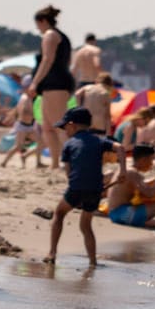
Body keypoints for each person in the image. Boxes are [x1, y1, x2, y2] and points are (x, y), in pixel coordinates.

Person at [45, 107, 114, 265]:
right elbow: (121, 148)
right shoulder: (99, 141)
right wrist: (122, 171)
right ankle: (92, 261)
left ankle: (52, 253)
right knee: (86, 225)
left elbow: (69, 173)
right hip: (96, 189)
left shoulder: (69, 144)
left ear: (72, 125)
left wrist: (75, 188)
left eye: (64, 127)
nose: (64, 131)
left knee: (59, 214)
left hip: (77, 188)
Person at [24, 4, 77, 169]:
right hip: (55, 83)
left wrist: (34, 82)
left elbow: (47, 59)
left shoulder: (50, 35)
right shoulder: (62, 36)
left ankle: (70, 163)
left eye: (37, 24)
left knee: (59, 126)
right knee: (47, 127)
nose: (37, 28)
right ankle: (55, 163)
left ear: (42, 21)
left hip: (56, 83)